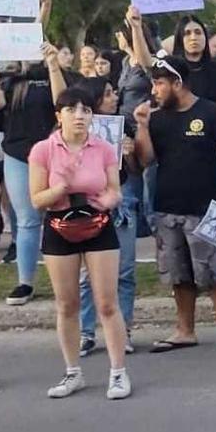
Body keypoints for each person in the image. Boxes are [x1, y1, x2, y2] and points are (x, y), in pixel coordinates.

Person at [131, 55, 216, 353]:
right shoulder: (156, 117)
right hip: (167, 207)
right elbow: (145, 161)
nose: (154, 90)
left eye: (159, 83)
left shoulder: (212, 114)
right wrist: (143, 127)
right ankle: (185, 330)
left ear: (177, 83)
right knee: (179, 274)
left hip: (208, 209)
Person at [28, 87, 131, 399]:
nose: (79, 115)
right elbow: (37, 200)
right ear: (59, 115)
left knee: (106, 303)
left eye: (86, 110)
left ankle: (118, 373)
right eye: (72, 109)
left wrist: (109, 200)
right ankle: (73, 372)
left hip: (98, 225)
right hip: (59, 226)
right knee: (67, 304)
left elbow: (115, 191)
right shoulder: (43, 150)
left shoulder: (103, 149)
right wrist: (61, 186)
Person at [0, 40, 71, 306]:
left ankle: (66, 279)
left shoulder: (50, 73)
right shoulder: (10, 80)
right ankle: (25, 282)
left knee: (61, 214)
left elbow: (61, 102)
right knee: (28, 219)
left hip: (54, 153)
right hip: (18, 155)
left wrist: (53, 65)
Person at [73, 77, 141, 358]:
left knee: (124, 271)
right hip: (88, 202)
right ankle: (86, 331)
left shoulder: (124, 125)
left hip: (121, 200)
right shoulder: (74, 131)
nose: (115, 98)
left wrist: (129, 152)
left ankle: (123, 330)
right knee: (88, 273)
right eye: (109, 94)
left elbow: (137, 169)